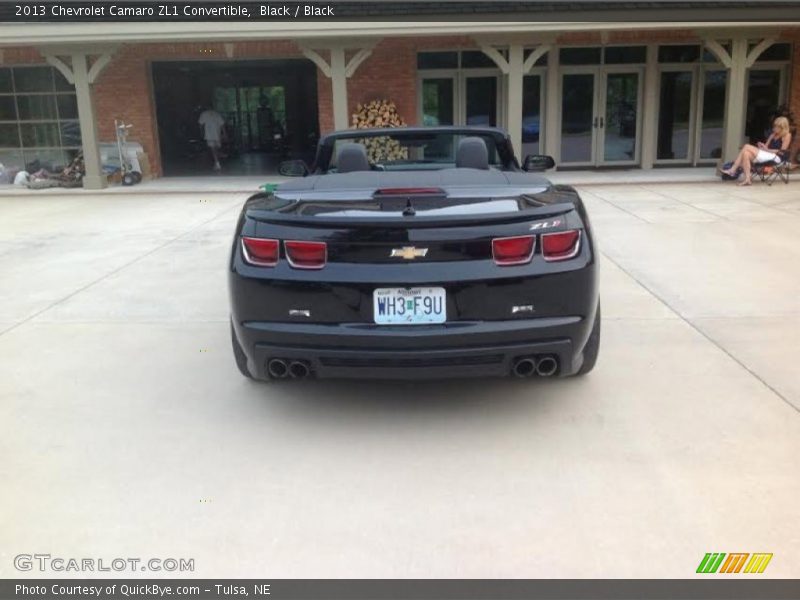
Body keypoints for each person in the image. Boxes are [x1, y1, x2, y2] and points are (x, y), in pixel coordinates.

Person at [722, 116, 792, 186]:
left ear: (783, 127)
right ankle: (747, 180)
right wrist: (762, 146)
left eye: (777, 127)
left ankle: (732, 170)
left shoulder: (787, 135)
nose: (775, 128)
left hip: (777, 158)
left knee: (746, 146)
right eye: (775, 126)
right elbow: (766, 147)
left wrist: (766, 150)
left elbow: (782, 151)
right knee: (746, 153)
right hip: (767, 155)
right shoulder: (773, 135)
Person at [198, 106, 226, 172]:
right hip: (217, 133)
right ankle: (217, 161)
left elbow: (200, 124)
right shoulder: (217, 114)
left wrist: (201, 132)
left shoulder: (204, 114)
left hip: (209, 133)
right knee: (216, 148)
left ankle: (217, 163)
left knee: (213, 148)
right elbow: (222, 125)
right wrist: (224, 134)